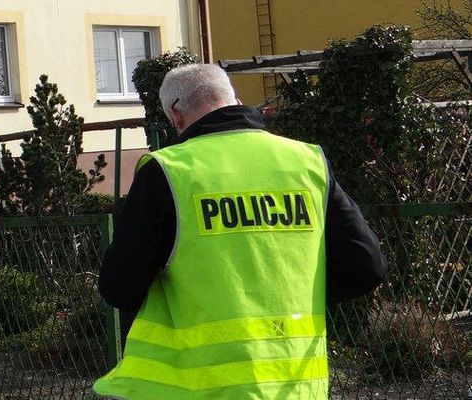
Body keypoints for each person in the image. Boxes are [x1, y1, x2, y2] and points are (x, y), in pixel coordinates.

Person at [93, 64, 386, 399]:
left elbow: (118, 286)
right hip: (297, 386)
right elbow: (367, 267)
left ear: (176, 115)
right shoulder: (307, 161)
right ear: (234, 99)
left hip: (199, 389)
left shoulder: (169, 171)